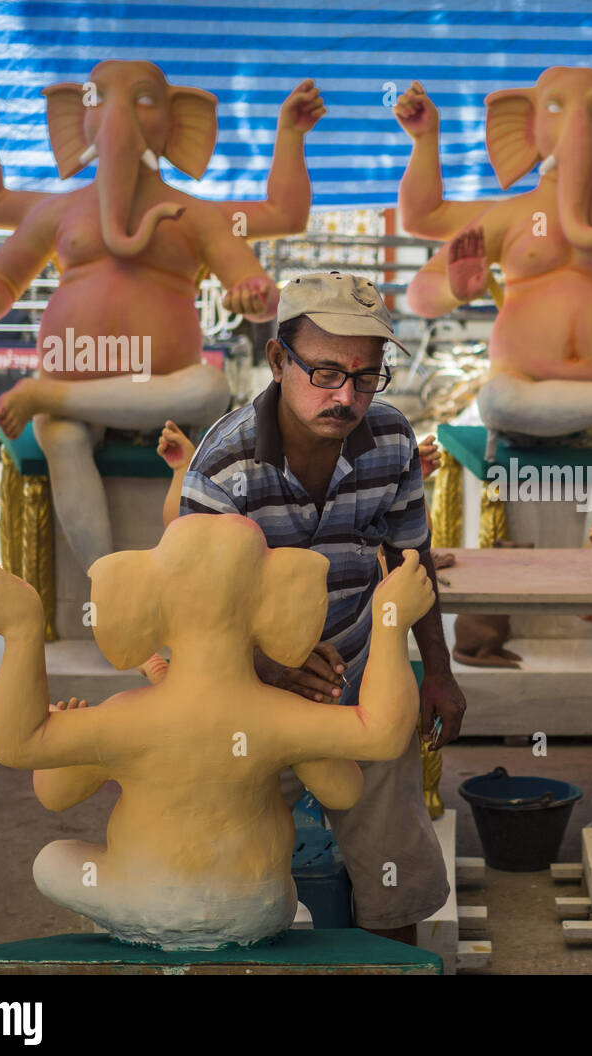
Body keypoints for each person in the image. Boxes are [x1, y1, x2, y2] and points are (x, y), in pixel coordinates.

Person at [177, 272, 466, 944]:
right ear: (279, 362)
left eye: (367, 378)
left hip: (365, 679)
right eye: (327, 372)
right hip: (246, 695)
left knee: (393, 876)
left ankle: (390, 953)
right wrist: (269, 668)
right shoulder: (222, 468)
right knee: (233, 866)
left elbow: (410, 561)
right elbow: (190, 618)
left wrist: (441, 672)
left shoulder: (391, 440)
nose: (347, 396)